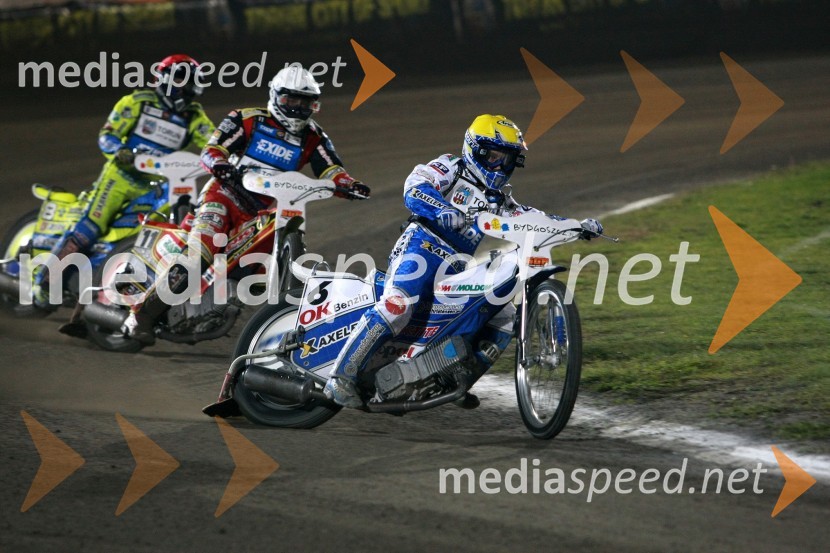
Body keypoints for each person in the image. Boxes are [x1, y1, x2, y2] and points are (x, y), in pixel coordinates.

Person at [324, 114, 603, 408]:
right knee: (398, 304)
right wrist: (442, 208)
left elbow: (534, 219)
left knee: (504, 316)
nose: (500, 166)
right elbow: (415, 186)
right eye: (494, 156)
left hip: (456, 266)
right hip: (421, 247)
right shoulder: (452, 167)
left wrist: (574, 226)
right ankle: (340, 376)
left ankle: (451, 376)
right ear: (476, 150)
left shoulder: (500, 201)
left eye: (507, 159)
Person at [122, 65, 370, 344]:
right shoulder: (246, 119)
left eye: (304, 101)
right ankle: (140, 317)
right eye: (292, 99)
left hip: (268, 211)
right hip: (224, 197)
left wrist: (349, 184)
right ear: (276, 96)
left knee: (259, 265)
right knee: (198, 256)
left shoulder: (315, 136)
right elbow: (212, 150)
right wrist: (220, 164)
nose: (298, 107)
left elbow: (332, 170)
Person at [33, 54, 215, 311]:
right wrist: (119, 150)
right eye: (181, 79)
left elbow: (212, 142)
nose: (187, 88)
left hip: (155, 186)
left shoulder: (193, 115)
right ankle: (44, 283)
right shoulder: (137, 102)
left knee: (147, 232)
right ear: (164, 78)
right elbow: (107, 135)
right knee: (90, 228)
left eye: (192, 82)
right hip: (119, 177)